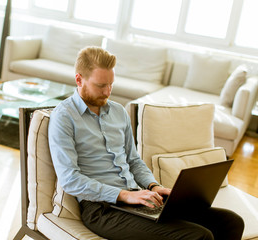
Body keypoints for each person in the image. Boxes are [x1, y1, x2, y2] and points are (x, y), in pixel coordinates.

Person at [48, 46, 244, 240]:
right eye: (100, 86)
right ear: (79, 79)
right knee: (198, 236)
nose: (107, 92)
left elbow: (133, 161)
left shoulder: (118, 112)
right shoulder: (64, 117)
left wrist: (153, 187)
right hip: (102, 208)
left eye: (111, 85)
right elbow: (70, 179)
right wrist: (123, 195)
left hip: (138, 198)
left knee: (230, 222)